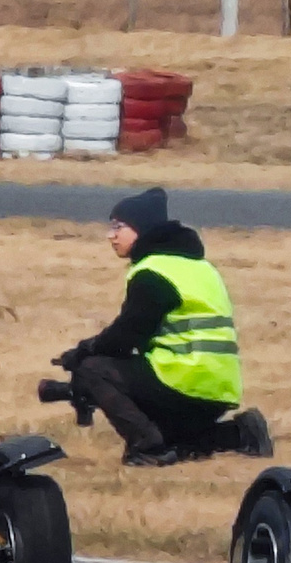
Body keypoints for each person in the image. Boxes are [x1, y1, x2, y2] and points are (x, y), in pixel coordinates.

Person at [56, 188, 271, 468]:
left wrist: (84, 352)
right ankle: (240, 434)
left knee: (94, 369)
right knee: (177, 443)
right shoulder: (200, 266)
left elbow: (125, 337)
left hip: (183, 380)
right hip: (219, 388)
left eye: (118, 227)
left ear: (142, 229)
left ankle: (147, 448)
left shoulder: (154, 272)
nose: (111, 235)